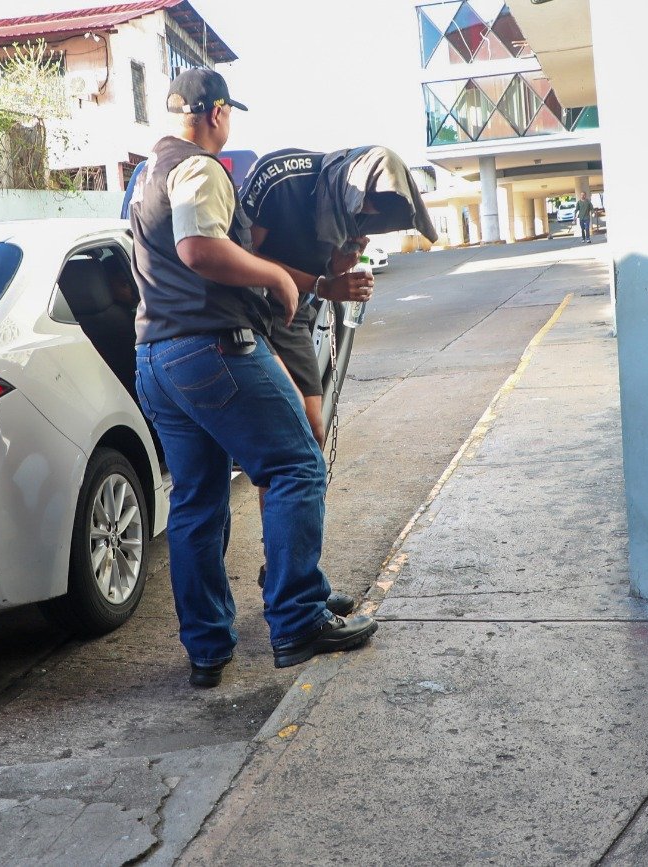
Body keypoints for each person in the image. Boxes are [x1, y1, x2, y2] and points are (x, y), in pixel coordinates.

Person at [129, 68, 378, 690]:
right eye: (228, 113)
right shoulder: (199, 168)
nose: (229, 123)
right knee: (296, 465)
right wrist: (274, 277)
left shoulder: (143, 176)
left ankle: (208, 649)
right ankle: (297, 619)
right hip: (211, 348)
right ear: (215, 113)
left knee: (197, 499)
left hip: (157, 357)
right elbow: (198, 250)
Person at [239, 145, 438, 612]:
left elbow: (333, 267)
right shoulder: (282, 179)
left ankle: (286, 571)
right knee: (292, 446)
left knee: (309, 433)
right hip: (251, 311)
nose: (364, 223)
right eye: (363, 215)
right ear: (351, 189)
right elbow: (241, 255)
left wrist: (346, 267)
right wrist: (323, 286)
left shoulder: (361, 212)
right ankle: (290, 588)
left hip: (298, 316)